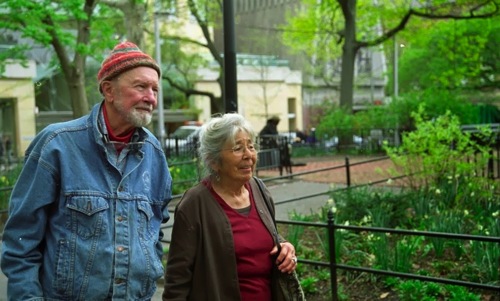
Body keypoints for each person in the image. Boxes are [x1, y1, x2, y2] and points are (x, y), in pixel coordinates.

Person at [0, 41, 173, 300]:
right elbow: (20, 241)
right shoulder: (56, 145)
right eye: (140, 87)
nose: (150, 98)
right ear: (108, 90)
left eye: (155, 89)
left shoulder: (154, 154)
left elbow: (155, 233)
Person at [163, 113, 298, 301]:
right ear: (213, 161)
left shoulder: (259, 190)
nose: (248, 155)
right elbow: (176, 281)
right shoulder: (195, 204)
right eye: (237, 149)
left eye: (251, 146)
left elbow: (265, 236)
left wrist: (284, 246)